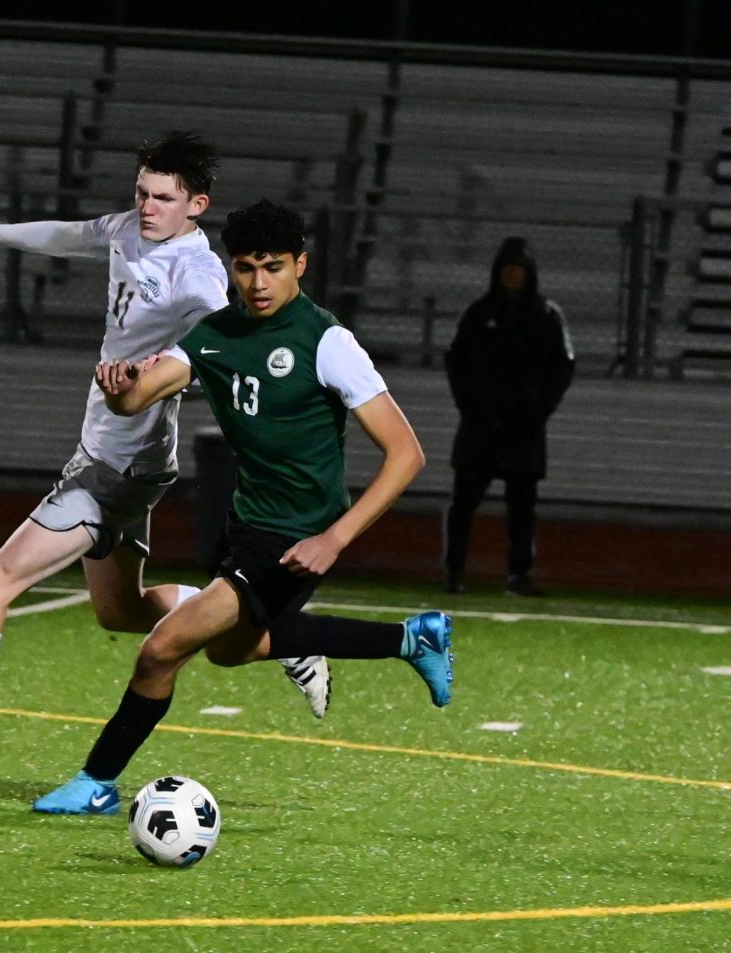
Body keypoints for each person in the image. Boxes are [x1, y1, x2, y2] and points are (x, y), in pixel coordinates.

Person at [0, 133, 331, 780]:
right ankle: (275, 625)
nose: (147, 206)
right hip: (121, 458)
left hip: (114, 466)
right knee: (121, 611)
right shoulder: (127, 228)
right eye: (142, 192)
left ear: (196, 205)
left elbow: (226, 349)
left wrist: (165, 375)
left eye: (164, 198)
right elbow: (71, 234)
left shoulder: (199, 274)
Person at [33, 199, 454, 815]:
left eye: (273, 268)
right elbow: (142, 394)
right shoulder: (216, 335)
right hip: (247, 525)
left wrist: (333, 540)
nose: (258, 284)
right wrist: (122, 394)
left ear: (300, 266)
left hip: (296, 535)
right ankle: (411, 640)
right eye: (246, 268)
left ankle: (96, 781)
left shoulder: (326, 340)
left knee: (161, 649)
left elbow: (406, 454)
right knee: (230, 649)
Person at [442, 236, 575, 597]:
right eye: (508, 270)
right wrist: (469, 404)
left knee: (522, 507)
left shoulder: (547, 315)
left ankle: (518, 575)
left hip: (524, 428)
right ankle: (454, 571)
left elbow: (563, 367)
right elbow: (456, 360)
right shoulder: (478, 313)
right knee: (464, 500)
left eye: (519, 270)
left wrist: (539, 408)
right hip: (480, 425)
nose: (513, 277)